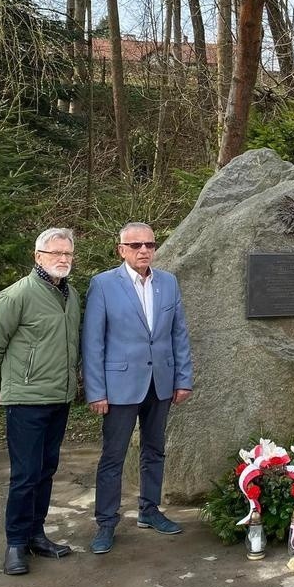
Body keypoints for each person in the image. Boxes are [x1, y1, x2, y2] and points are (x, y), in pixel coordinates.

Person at [82, 222, 193, 554]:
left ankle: (149, 510)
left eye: (149, 244)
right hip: (119, 386)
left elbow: (179, 334)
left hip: (160, 383)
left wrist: (182, 378)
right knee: (113, 456)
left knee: (155, 450)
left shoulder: (168, 283)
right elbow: (93, 342)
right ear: (121, 250)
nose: (143, 250)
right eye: (135, 245)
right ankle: (105, 523)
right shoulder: (103, 285)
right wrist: (96, 391)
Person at [0, 229, 80, 575]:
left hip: (60, 398)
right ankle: (16, 544)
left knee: (46, 470)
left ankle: (37, 534)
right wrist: (0, 386)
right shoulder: (16, 296)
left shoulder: (72, 295)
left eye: (67, 253)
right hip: (26, 401)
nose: (63, 259)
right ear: (38, 256)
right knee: (25, 474)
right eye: (55, 253)